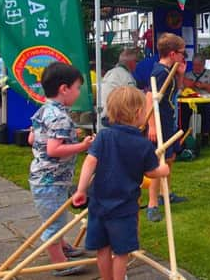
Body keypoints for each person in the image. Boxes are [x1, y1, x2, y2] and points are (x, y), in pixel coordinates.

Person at [72, 86, 169, 280]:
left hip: (98, 204)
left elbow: (90, 162)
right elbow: (151, 172)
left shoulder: (104, 136)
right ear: (139, 113)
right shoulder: (143, 144)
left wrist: (81, 189)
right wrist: (163, 170)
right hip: (124, 208)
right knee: (121, 252)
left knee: (102, 248)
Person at [28, 62, 95, 276]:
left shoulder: (45, 110)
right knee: (54, 223)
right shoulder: (60, 118)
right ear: (64, 89)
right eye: (77, 88)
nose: (78, 93)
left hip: (44, 178)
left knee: (55, 216)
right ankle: (59, 263)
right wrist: (83, 146)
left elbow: (32, 138)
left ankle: (63, 246)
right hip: (50, 180)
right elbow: (54, 149)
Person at [145, 33, 187, 222]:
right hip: (159, 122)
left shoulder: (169, 71)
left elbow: (176, 91)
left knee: (170, 158)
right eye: (181, 53)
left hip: (168, 120)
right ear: (172, 53)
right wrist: (152, 126)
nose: (183, 57)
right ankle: (153, 204)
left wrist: (180, 75)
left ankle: (165, 194)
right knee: (159, 162)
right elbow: (149, 98)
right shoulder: (160, 72)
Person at [181, 54, 210, 146]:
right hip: (193, 103)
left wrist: (204, 86)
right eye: (195, 65)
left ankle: (205, 135)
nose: (196, 67)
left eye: (199, 65)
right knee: (183, 108)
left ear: (203, 65)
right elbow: (182, 89)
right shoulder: (188, 75)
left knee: (209, 108)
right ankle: (184, 135)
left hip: (207, 101)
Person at [100, 48, 138, 124]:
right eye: (136, 61)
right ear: (131, 63)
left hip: (104, 116)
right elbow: (134, 100)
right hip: (115, 119)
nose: (137, 64)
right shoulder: (126, 76)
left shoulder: (110, 73)